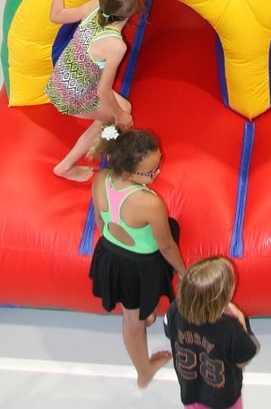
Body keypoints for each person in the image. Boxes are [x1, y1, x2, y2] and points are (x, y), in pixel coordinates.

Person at [90, 127, 187, 388]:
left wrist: (114, 244)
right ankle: (143, 371)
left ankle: (146, 315)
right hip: (137, 266)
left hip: (110, 254)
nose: (158, 173)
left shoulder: (101, 178)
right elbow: (166, 246)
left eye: (159, 164)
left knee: (142, 313)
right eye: (151, 172)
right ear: (127, 173)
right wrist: (183, 272)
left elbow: (100, 221)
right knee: (132, 321)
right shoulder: (148, 202)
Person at [45, 0, 141, 180]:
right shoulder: (115, 46)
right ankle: (66, 166)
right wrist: (121, 116)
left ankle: (106, 133)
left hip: (59, 79)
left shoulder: (92, 8)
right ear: (133, 11)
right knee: (119, 113)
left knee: (121, 108)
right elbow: (103, 91)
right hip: (72, 95)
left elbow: (55, 15)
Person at [165, 255, 261, 408]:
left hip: (190, 393)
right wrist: (240, 318)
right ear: (223, 297)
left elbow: (169, 332)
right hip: (224, 400)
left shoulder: (174, 310)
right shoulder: (230, 327)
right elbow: (242, 360)